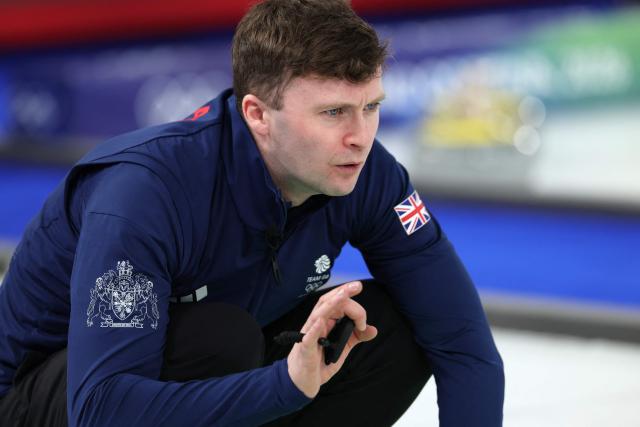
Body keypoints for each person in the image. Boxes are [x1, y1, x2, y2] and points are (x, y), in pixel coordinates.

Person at [0, 0, 504, 425]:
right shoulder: (143, 195)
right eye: (333, 112)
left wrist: (286, 380)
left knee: (391, 324)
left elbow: (463, 340)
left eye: (370, 107)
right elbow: (99, 408)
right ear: (258, 115)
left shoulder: (367, 173)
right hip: (43, 397)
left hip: (206, 361)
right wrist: (284, 385)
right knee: (218, 340)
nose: (360, 136)